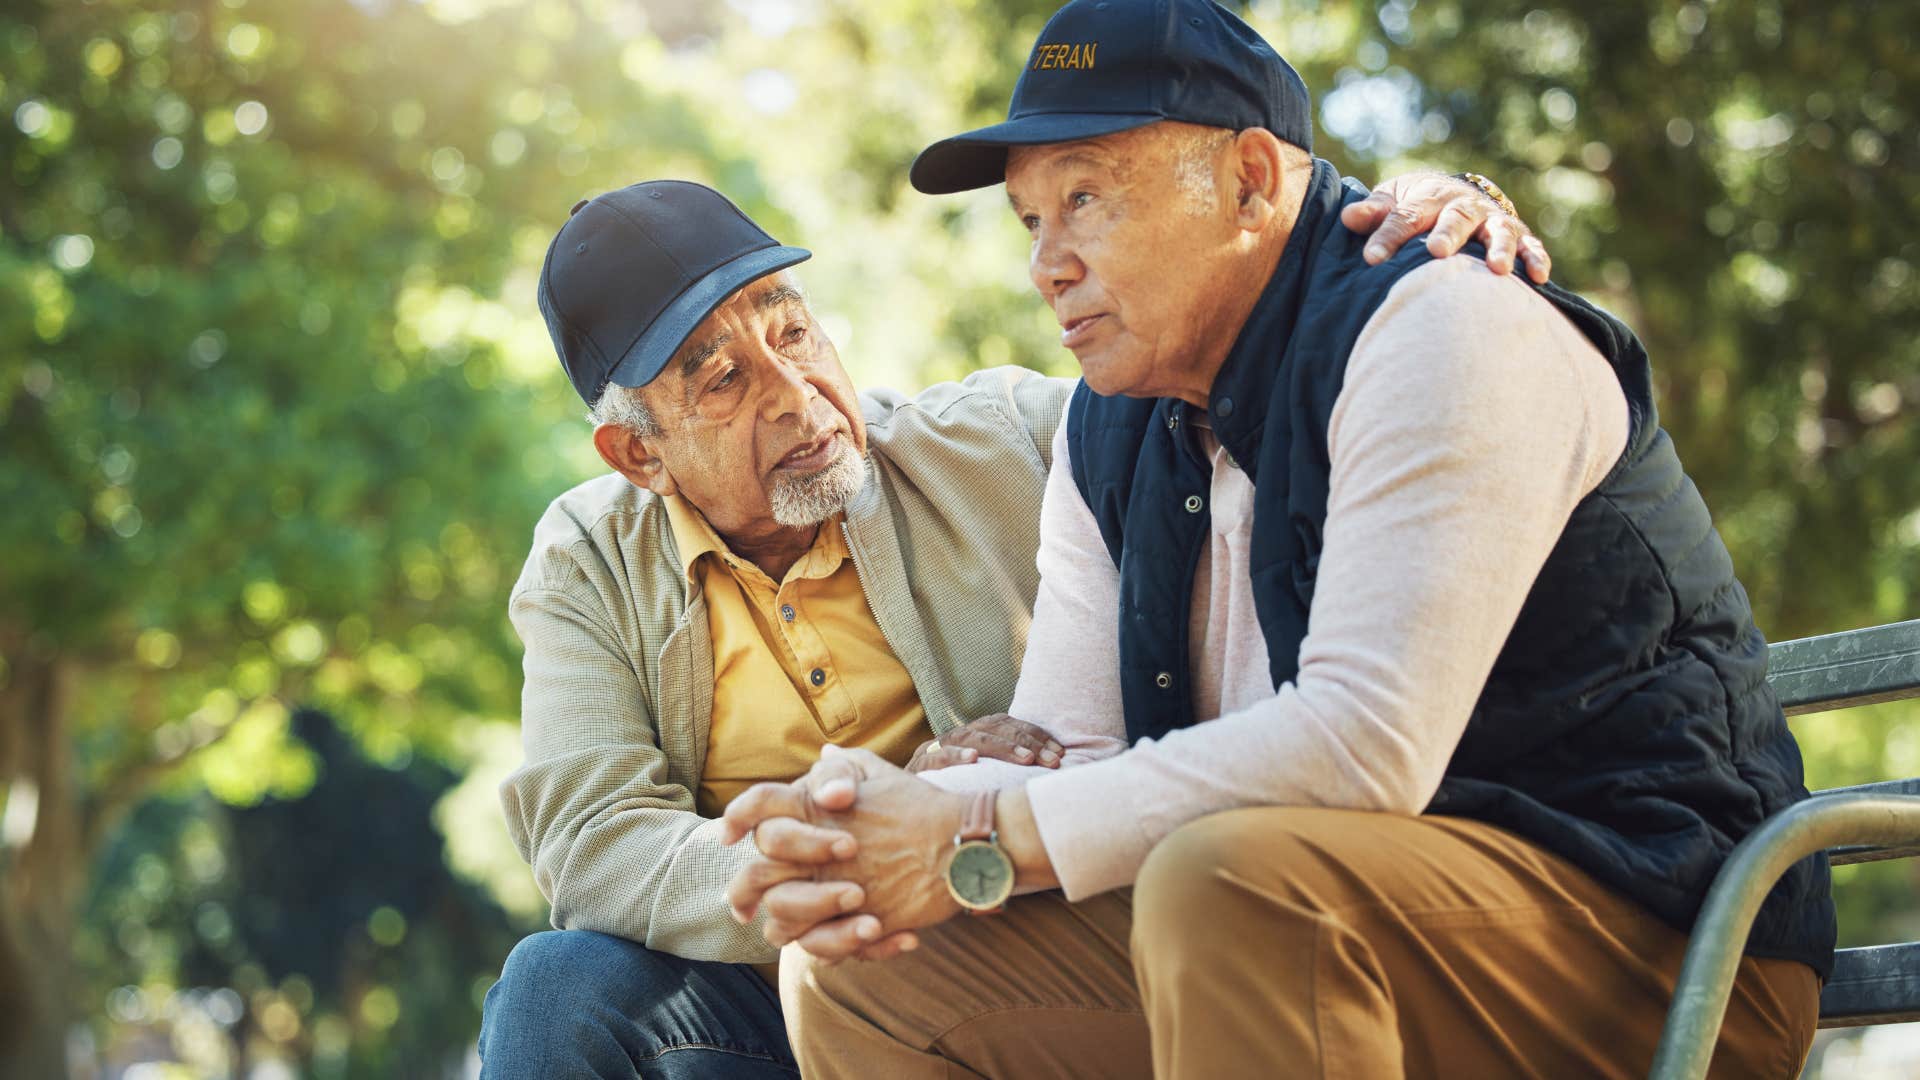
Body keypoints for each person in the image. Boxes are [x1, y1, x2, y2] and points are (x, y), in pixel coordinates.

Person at [722, 2, 1836, 1077]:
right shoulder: (1108, 428)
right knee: (862, 969)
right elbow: (1073, 760)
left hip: (1663, 947)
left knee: (1233, 877)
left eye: (1086, 198)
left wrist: (973, 830)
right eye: (1030, 219)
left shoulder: (1442, 320)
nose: (1046, 263)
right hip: (1304, 931)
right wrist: (889, 826)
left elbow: (1364, 743)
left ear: (1251, 182)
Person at [474, 176, 1546, 1076]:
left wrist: (1392, 248)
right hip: (781, 992)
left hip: (1030, 935)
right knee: (558, 989)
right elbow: (595, 844)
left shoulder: (1000, 436)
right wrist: (851, 855)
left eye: (794, 331)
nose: (798, 395)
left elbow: (1194, 384)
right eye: (724, 381)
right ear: (640, 454)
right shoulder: (586, 563)